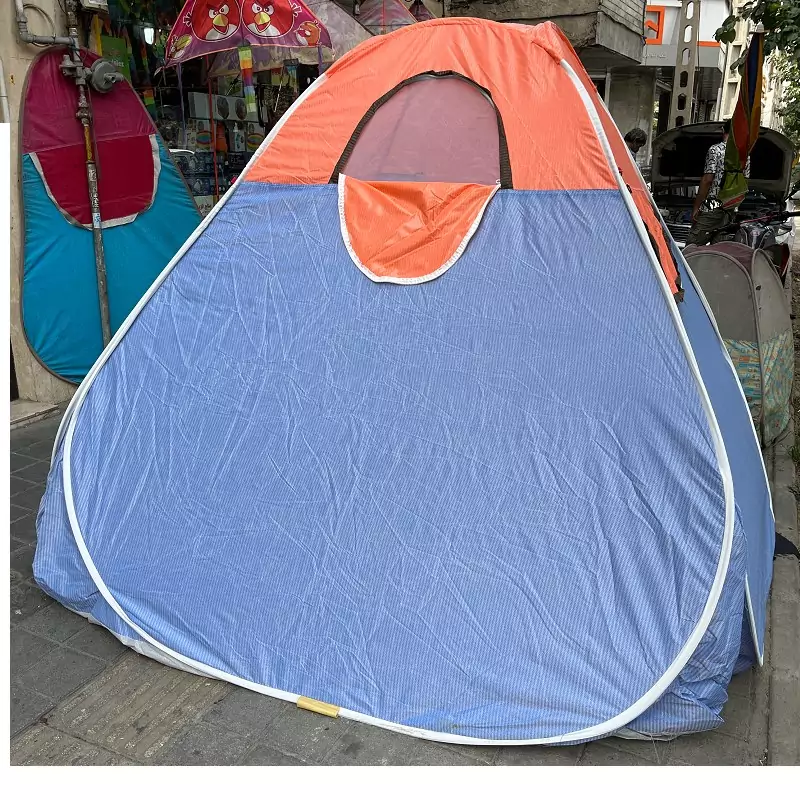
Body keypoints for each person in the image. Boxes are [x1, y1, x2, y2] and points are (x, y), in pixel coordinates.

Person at [688, 119, 751, 246]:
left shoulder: (715, 150)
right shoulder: (745, 155)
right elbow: (745, 183)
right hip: (730, 209)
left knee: (692, 247)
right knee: (719, 250)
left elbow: (707, 180)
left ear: (723, 130)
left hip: (712, 206)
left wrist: (696, 208)